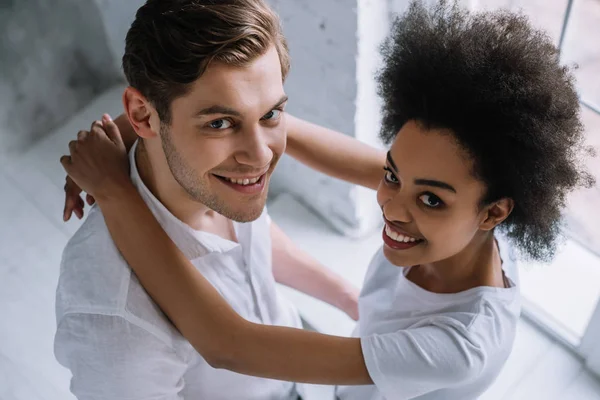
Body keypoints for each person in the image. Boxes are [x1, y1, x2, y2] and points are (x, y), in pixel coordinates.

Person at [61, 1, 594, 399]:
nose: (389, 205)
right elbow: (285, 135)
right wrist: (136, 132)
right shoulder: (116, 323)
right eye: (389, 174)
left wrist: (116, 184)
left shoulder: (460, 344)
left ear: (495, 211)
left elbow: (227, 343)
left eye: (270, 113)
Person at [54, 1, 361, 399]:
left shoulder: (223, 180)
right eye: (219, 123)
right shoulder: (118, 321)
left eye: (270, 114)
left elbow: (252, 244)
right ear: (143, 116)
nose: (262, 156)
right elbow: (227, 344)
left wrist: (349, 299)